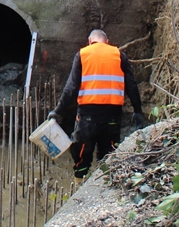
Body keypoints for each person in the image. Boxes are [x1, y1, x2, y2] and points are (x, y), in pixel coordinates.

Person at [50, 29, 145, 180]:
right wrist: (138, 111)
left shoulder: (82, 54)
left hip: (88, 116)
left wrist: (58, 110)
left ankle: (79, 180)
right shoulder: (119, 55)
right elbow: (131, 86)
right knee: (108, 154)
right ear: (106, 41)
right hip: (113, 116)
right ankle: (104, 182)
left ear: (90, 41)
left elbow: (72, 87)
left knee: (81, 152)